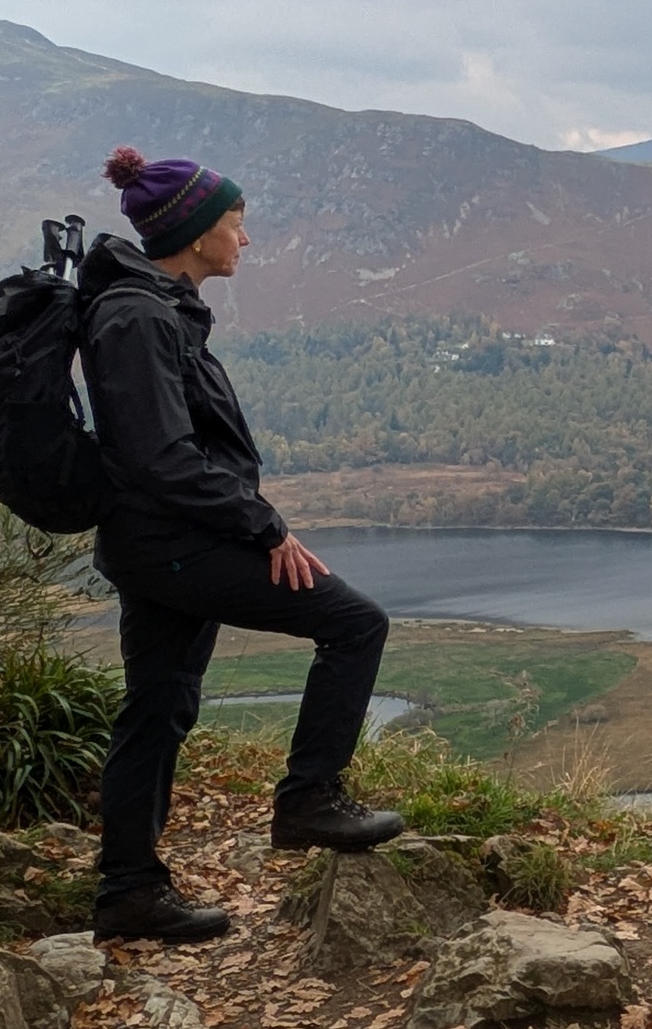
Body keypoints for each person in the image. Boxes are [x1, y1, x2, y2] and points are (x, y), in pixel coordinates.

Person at [81, 147, 404, 943]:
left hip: (163, 542)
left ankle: (128, 894)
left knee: (157, 708)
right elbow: (164, 459)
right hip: (174, 546)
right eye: (236, 224)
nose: (245, 240)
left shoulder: (154, 307)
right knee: (354, 624)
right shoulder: (140, 316)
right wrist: (265, 527)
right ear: (194, 235)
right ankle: (308, 801)